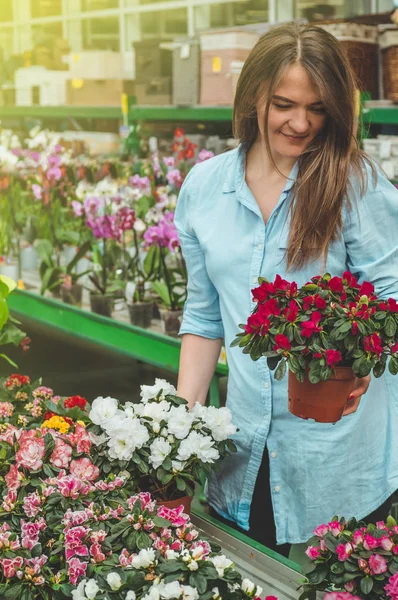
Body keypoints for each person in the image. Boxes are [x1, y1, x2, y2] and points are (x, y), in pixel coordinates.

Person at [174, 23, 398, 556]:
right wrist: (178, 427)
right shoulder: (205, 188)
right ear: (253, 95)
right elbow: (205, 318)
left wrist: (359, 361)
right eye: (283, 104)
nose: (300, 123)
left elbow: (391, 293)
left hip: (340, 449)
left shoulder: (353, 183)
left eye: (317, 108)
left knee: (349, 583)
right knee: (255, 579)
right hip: (245, 442)